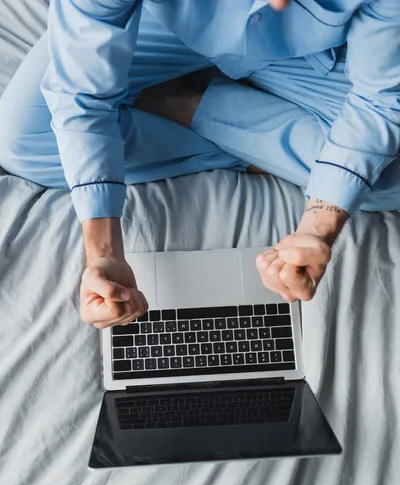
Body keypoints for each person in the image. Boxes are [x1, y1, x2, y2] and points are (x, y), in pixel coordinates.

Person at [0, 0, 399, 329]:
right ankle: (265, 140)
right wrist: (103, 253)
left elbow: (380, 102)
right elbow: (80, 95)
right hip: (164, 26)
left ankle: (187, 103)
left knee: (385, 179)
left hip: (322, 54)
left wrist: (318, 227)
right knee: (24, 141)